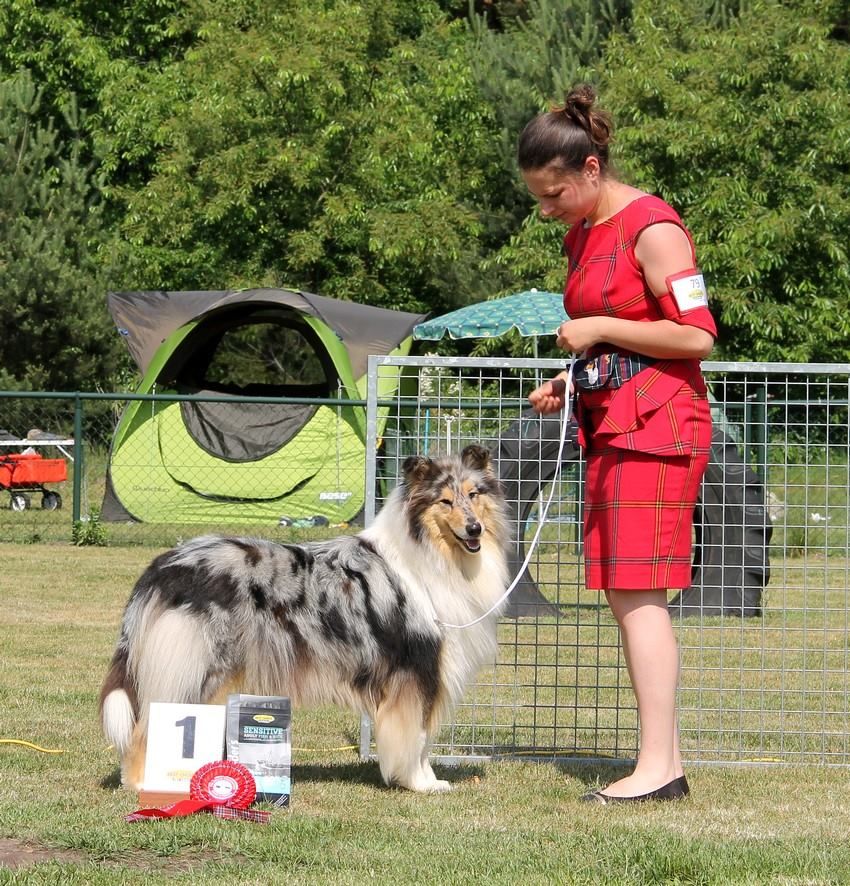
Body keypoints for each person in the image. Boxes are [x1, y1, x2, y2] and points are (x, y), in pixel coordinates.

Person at [521, 84, 717, 803]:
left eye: (555, 193)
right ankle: (659, 761)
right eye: (541, 197)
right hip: (609, 421)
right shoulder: (582, 234)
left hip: (658, 429)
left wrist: (599, 332)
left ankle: (660, 768)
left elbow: (696, 337)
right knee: (627, 596)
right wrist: (569, 378)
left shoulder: (654, 228)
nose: (548, 210)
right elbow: (610, 332)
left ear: (593, 170)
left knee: (640, 597)